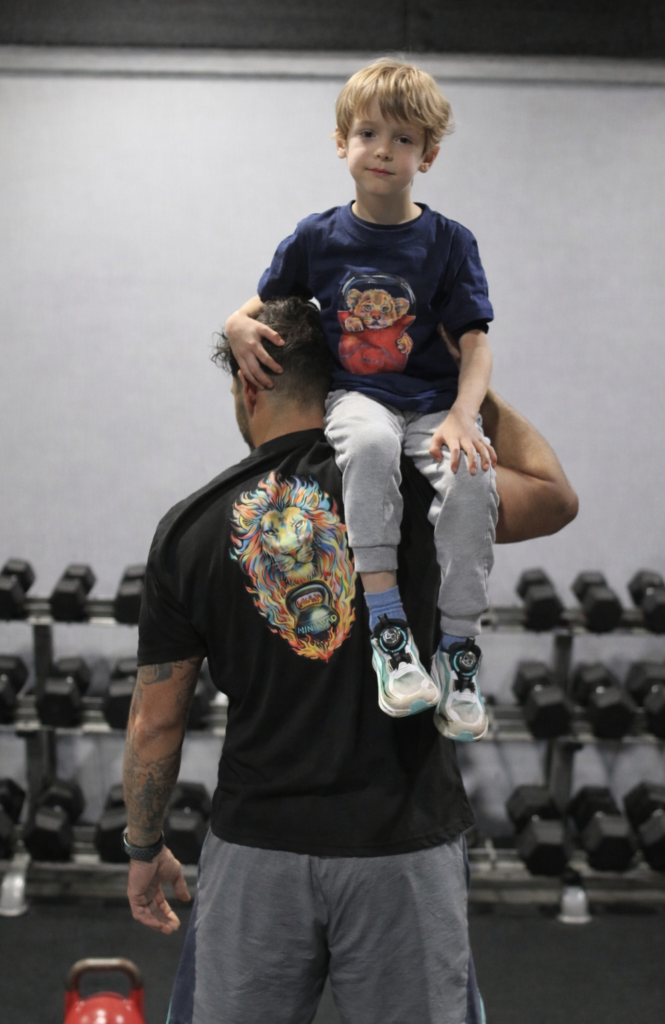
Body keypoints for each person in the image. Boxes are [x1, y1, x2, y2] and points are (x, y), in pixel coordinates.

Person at [122, 297, 578, 1024]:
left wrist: (144, 845)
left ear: (249, 386)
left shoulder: (191, 526)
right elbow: (553, 497)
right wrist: (462, 386)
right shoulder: (422, 488)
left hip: (255, 850)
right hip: (401, 850)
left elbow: (154, 724)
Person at [225, 58, 499, 743]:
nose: (383, 149)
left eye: (404, 139)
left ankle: (458, 653)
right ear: (341, 141)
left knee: (471, 478)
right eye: (369, 132)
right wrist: (236, 321)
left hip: (434, 401)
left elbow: (474, 342)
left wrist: (466, 416)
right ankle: (389, 632)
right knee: (370, 446)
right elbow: (269, 297)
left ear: (427, 157)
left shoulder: (448, 241)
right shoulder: (318, 237)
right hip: (360, 395)